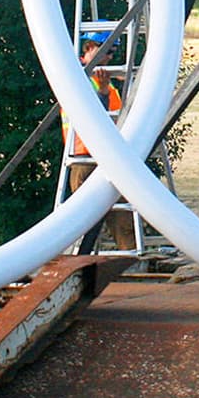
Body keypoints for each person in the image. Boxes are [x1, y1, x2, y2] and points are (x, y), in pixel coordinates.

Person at [63, 36, 138, 252]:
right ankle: (77, 262)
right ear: (88, 48)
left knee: (122, 218)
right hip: (86, 158)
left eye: (113, 52)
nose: (110, 57)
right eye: (107, 50)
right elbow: (92, 113)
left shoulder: (100, 78)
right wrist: (104, 91)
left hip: (107, 157)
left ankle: (130, 259)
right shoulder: (78, 75)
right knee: (86, 221)